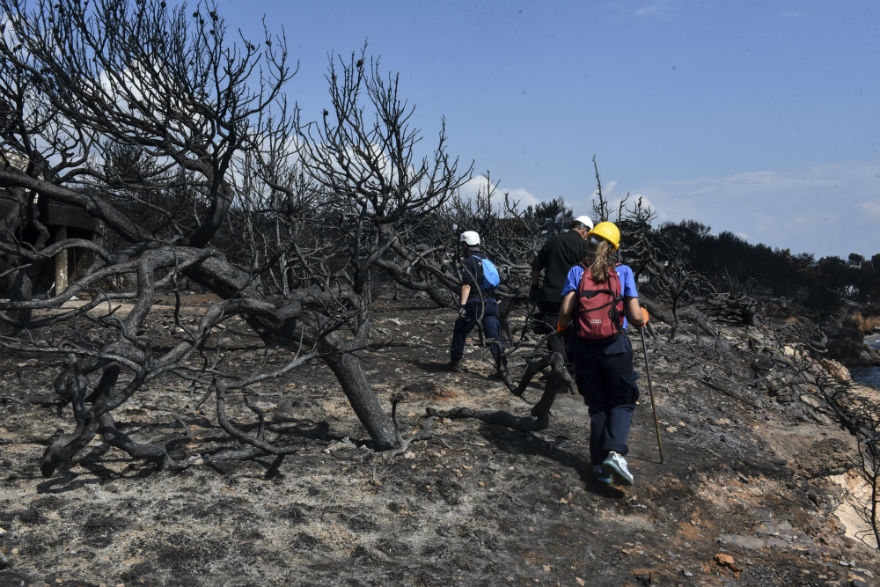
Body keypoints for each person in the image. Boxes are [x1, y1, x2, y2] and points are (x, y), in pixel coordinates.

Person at [556, 221, 649, 486]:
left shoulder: (577, 271)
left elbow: (565, 313)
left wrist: (563, 326)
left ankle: (599, 465)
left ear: (590, 242)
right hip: (615, 348)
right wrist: (643, 317)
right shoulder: (623, 271)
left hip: (584, 348)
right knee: (622, 401)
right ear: (614, 248)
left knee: (597, 406)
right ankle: (616, 454)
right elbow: (635, 316)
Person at [446, 231, 510, 383]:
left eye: (462, 245)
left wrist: (462, 305)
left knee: (460, 328)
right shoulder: (486, 260)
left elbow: (467, 285)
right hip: (491, 303)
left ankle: (455, 362)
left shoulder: (469, 262)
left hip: (476, 304)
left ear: (465, 245)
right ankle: (503, 369)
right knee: (494, 337)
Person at [529, 215, 594, 333]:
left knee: (552, 335)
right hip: (573, 299)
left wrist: (534, 287)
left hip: (549, 298)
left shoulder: (553, 240)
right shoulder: (585, 246)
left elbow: (536, 266)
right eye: (587, 235)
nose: (586, 237)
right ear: (584, 230)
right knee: (571, 335)